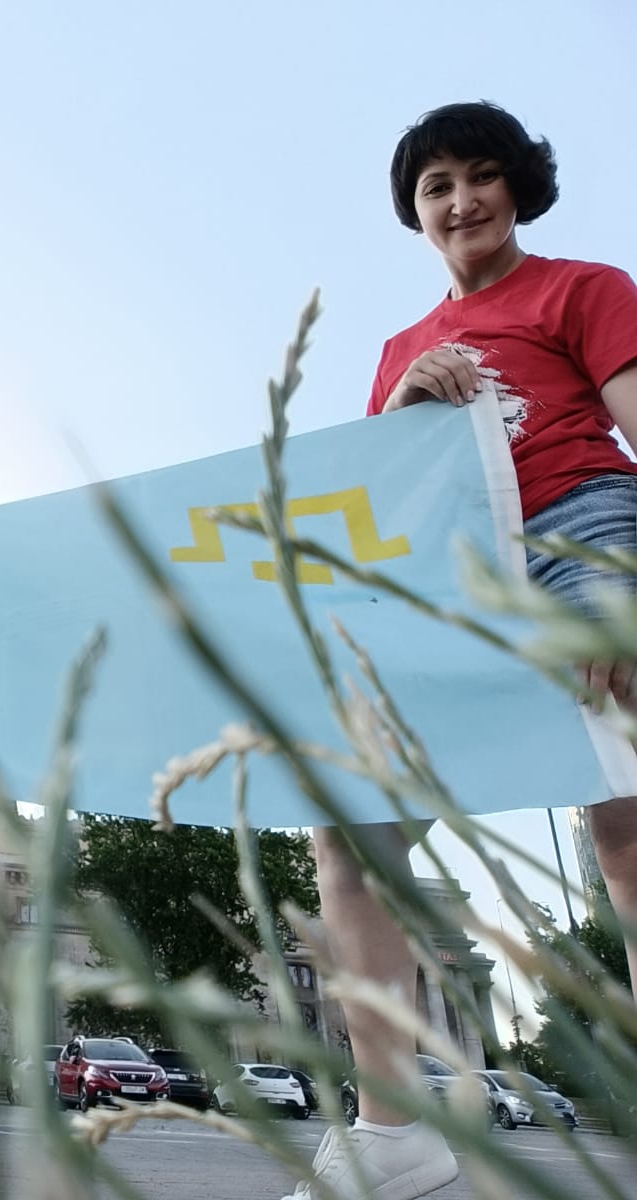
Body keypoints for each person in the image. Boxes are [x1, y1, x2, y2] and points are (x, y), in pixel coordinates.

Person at [292, 102, 637, 1199]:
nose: (461, 200)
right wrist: (399, 401)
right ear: (417, 212)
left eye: (482, 177)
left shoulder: (583, 289)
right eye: (437, 185)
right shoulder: (401, 347)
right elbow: (381, 502)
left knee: (623, 816)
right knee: (350, 834)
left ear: (519, 189)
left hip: (581, 526)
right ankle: (393, 1135)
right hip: (445, 577)